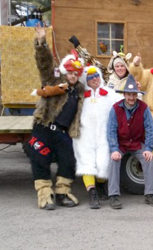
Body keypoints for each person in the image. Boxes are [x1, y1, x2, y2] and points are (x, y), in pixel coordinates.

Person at [29, 24, 85, 210]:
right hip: (44, 127)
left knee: (68, 160)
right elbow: (45, 64)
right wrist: (41, 42)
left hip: (63, 133)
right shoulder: (54, 81)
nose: (72, 76)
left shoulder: (80, 92)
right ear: (65, 72)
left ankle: (63, 192)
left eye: (76, 74)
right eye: (70, 72)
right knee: (40, 160)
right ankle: (45, 194)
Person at [107, 74, 153, 209]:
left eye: (134, 94)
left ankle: (150, 195)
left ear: (137, 95)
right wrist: (114, 149)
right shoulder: (115, 109)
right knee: (113, 160)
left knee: (149, 159)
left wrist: (149, 148)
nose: (131, 98)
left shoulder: (144, 108)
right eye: (129, 94)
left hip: (137, 144)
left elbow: (150, 128)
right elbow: (111, 131)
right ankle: (113, 196)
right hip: (121, 144)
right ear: (124, 94)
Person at [73, 66, 122, 209]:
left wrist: (137, 92)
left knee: (103, 162)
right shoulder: (80, 95)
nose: (94, 79)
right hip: (84, 135)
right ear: (86, 80)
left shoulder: (109, 93)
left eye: (96, 76)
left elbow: (123, 101)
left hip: (103, 135)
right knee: (87, 163)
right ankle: (92, 192)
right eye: (90, 77)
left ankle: (101, 185)